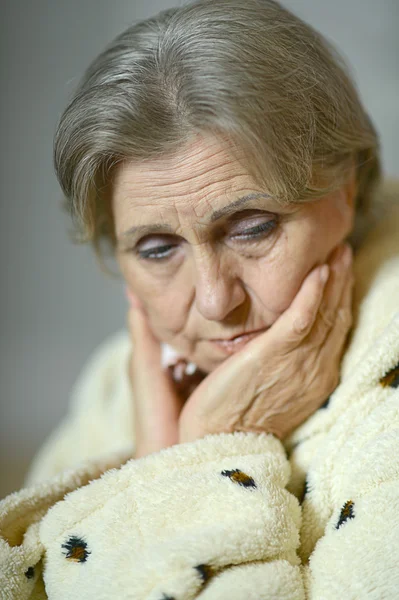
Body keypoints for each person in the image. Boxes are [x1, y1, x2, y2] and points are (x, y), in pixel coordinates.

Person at [1, 0, 398, 597]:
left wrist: (207, 454)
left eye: (252, 227)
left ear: (347, 185)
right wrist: (172, 452)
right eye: (158, 248)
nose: (215, 302)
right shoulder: (124, 378)